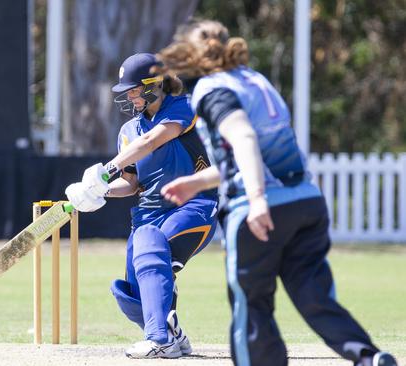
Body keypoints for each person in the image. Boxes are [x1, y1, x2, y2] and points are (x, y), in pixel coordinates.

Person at [156, 19, 398, 366]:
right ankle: (368, 357)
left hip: (261, 210)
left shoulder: (213, 89)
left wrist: (257, 201)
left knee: (251, 306)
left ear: (192, 54)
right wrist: (197, 182)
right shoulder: (256, 80)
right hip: (306, 202)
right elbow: (251, 155)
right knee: (315, 295)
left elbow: (244, 139)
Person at [65, 53, 219, 359]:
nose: (130, 96)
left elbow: (151, 142)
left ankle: (159, 339)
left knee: (149, 243)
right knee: (130, 295)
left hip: (193, 206)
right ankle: (173, 334)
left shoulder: (182, 107)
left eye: (134, 89)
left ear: (154, 84)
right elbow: (132, 184)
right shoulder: (127, 132)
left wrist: (106, 170)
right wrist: (99, 192)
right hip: (148, 214)